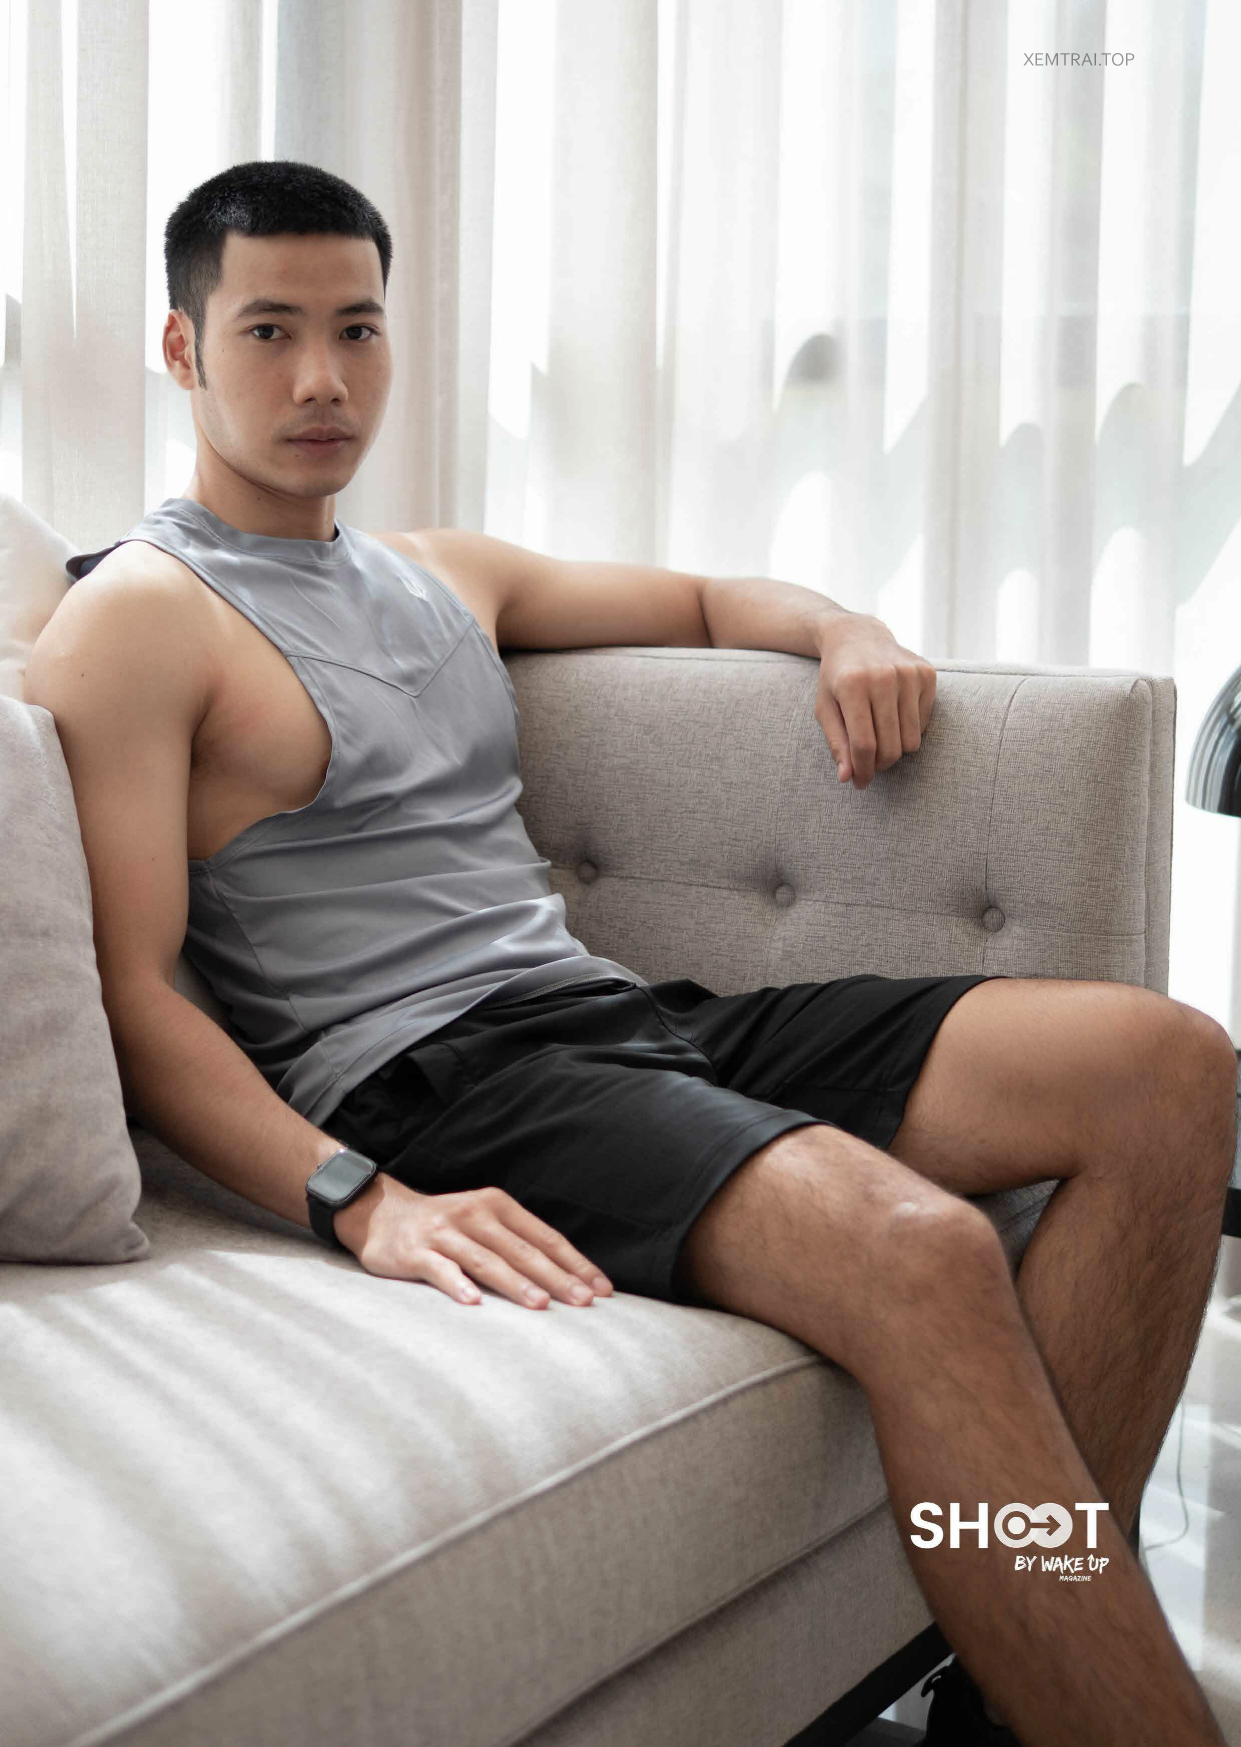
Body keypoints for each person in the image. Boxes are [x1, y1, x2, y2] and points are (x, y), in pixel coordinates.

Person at [25, 160, 1236, 1747]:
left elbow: (709, 596)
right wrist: (358, 1197)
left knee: (1165, 1068)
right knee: (920, 1246)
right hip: (440, 1079)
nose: (322, 378)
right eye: (269, 331)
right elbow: (130, 992)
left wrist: (844, 629)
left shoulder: (440, 570)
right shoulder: (139, 617)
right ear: (183, 349)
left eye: (356, 329)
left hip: (611, 1014)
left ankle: (1019, 1685)